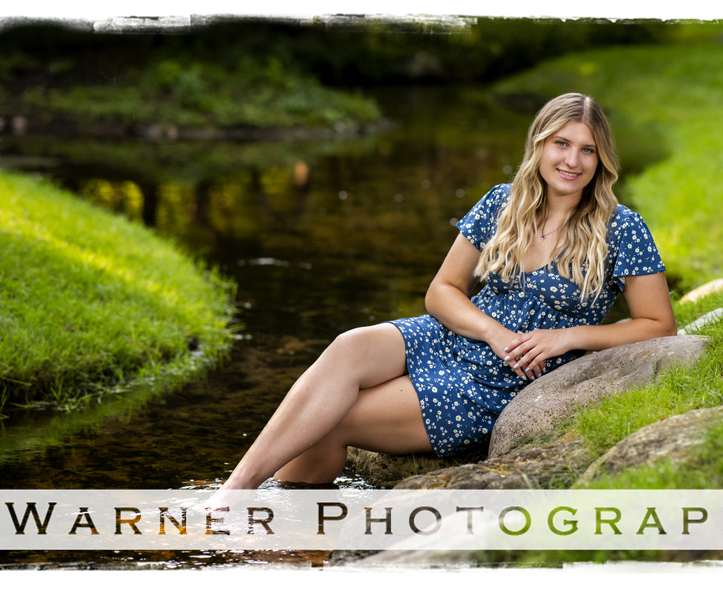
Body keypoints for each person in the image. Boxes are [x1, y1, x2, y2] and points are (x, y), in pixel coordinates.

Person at [207, 92, 676, 496]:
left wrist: (566, 338)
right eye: (561, 143)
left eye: (587, 150)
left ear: (602, 159)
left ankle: (281, 538)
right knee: (349, 345)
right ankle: (238, 490)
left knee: (331, 420)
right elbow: (442, 291)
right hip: (456, 335)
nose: (572, 161)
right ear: (539, 145)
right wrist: (492, 331)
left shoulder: (621, 227)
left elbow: (659, 325)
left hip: (501, 379)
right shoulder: (501, 202)